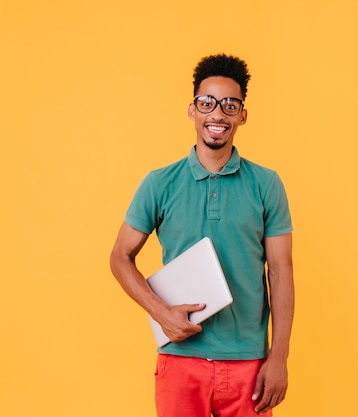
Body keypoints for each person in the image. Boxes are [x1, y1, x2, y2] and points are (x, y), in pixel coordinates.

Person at [109, 53, 294, 417]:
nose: (218, 114)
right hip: (180, 361)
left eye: (229, 104)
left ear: (242, 115)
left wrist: (279, 357)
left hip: (249, 364)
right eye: (207, 103)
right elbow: (119, 257)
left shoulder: (266, 184)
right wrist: (161, 313)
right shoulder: (160, 183)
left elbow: (281, 272)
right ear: (193, 110)